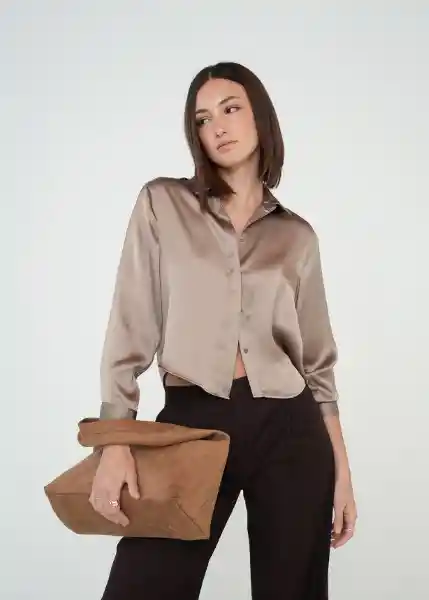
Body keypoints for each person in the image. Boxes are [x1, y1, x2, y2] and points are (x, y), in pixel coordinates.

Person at [89, 61, 357, 600]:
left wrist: (342, 471)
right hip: (193, 420)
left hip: (290, 426)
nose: (218, 126)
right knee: (142, 586)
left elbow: (318, 365)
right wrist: (115, 440)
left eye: (231, 108)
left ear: (260, 117)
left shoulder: (297, 237)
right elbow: (129, 327)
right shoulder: (162, 204)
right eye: (203, 118)